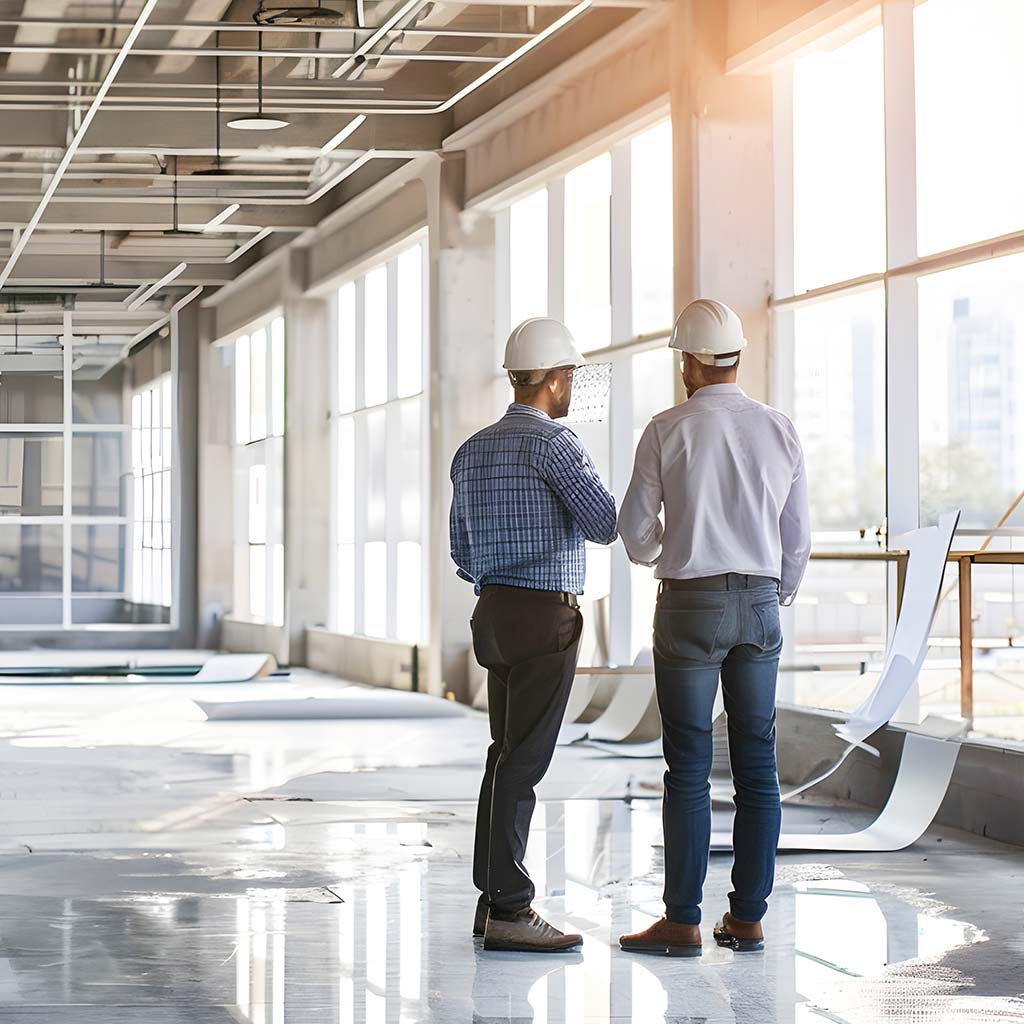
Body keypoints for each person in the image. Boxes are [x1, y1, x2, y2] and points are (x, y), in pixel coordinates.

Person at [616, 298, 811, 958]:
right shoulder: (780, 428)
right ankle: (749, 917)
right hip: (759, 604)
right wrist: (773, 591)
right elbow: (797, 537)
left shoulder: (666, 429)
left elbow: (635, 532)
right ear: (736, 357)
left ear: (689, 362)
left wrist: (665, 549)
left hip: (689, 606)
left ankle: (682, 920)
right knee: (759, 767)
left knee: (688, 767)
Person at [450, 317, 618, 954]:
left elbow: (460, 549)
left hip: (491, 613)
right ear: (551, 378)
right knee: (526, 761)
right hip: (544, 613)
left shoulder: (472, 450)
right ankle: (513, 907)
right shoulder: (556, 445)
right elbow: (603, 525)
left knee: (504, 753)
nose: (572, 386)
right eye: (569, 375)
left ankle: (491, 900)